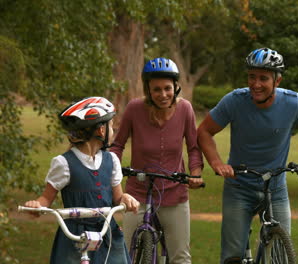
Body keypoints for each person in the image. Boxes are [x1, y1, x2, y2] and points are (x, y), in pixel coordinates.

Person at [197, 47, 298, 263]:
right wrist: (216, 162)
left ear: (277, 81)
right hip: (239, 187)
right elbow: (204, 131)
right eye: (251, 77)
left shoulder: (294, 103)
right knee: (233, 255)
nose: (256, 84)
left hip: (276, 188)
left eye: (263, 78)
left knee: (280, 255)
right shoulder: (234, 101)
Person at [23, 96, 140, 264]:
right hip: (75, 238)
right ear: (101, 130)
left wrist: (126, 198)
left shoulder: (111, 160)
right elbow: (46, 199)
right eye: (111, 126)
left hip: (106, 233)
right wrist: (36, 206)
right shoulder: (64, 164)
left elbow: (117, 198)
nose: (113, 130)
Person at [110, 57, 204, 263]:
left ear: (176, 87)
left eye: (167, 88)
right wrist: (113, 170)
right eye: (157, 89)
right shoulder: (135, 109)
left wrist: (195, 173)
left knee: (180, 257)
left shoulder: (185, 109)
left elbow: (194, 147)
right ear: (148, 91)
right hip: (137, 194)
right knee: (125, 254)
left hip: (174, 193)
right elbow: (117, 145)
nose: (163, 95)